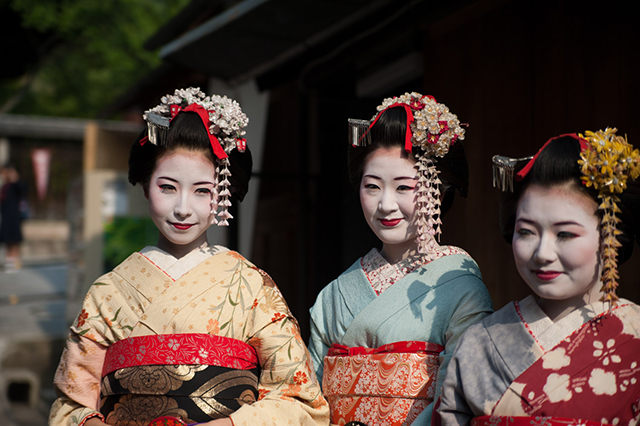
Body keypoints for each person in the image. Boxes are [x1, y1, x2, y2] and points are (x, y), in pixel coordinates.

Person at [49, 88, 329, 426]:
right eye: (167, 187)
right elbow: (70, 405)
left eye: (203, 191)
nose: (183, 209)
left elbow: (299, 398)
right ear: (145, 184)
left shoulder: (251, 286)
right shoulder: (108, 291)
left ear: (223, 194)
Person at [308, 92, 493, 425]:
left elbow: (457, 404)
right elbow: (308, 402)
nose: (386, 205)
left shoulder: (461, 289)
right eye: (373, 186)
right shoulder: (333, 296)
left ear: (440, 190)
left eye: (404, 188)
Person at [438, 130, 640, 425]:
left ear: (612, 235)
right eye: (526, 232)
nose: (542, 253)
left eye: (565, 234)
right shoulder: (480, 342)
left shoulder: (634, 337)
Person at [0, 164, 26, 271]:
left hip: (14, 216)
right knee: (7, 239)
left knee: (14, 239)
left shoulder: (16, 185)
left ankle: (14, 261)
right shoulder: (5, 186)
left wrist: (14, 178)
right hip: (5, 216)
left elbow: (22, 191)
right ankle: (9, 260)